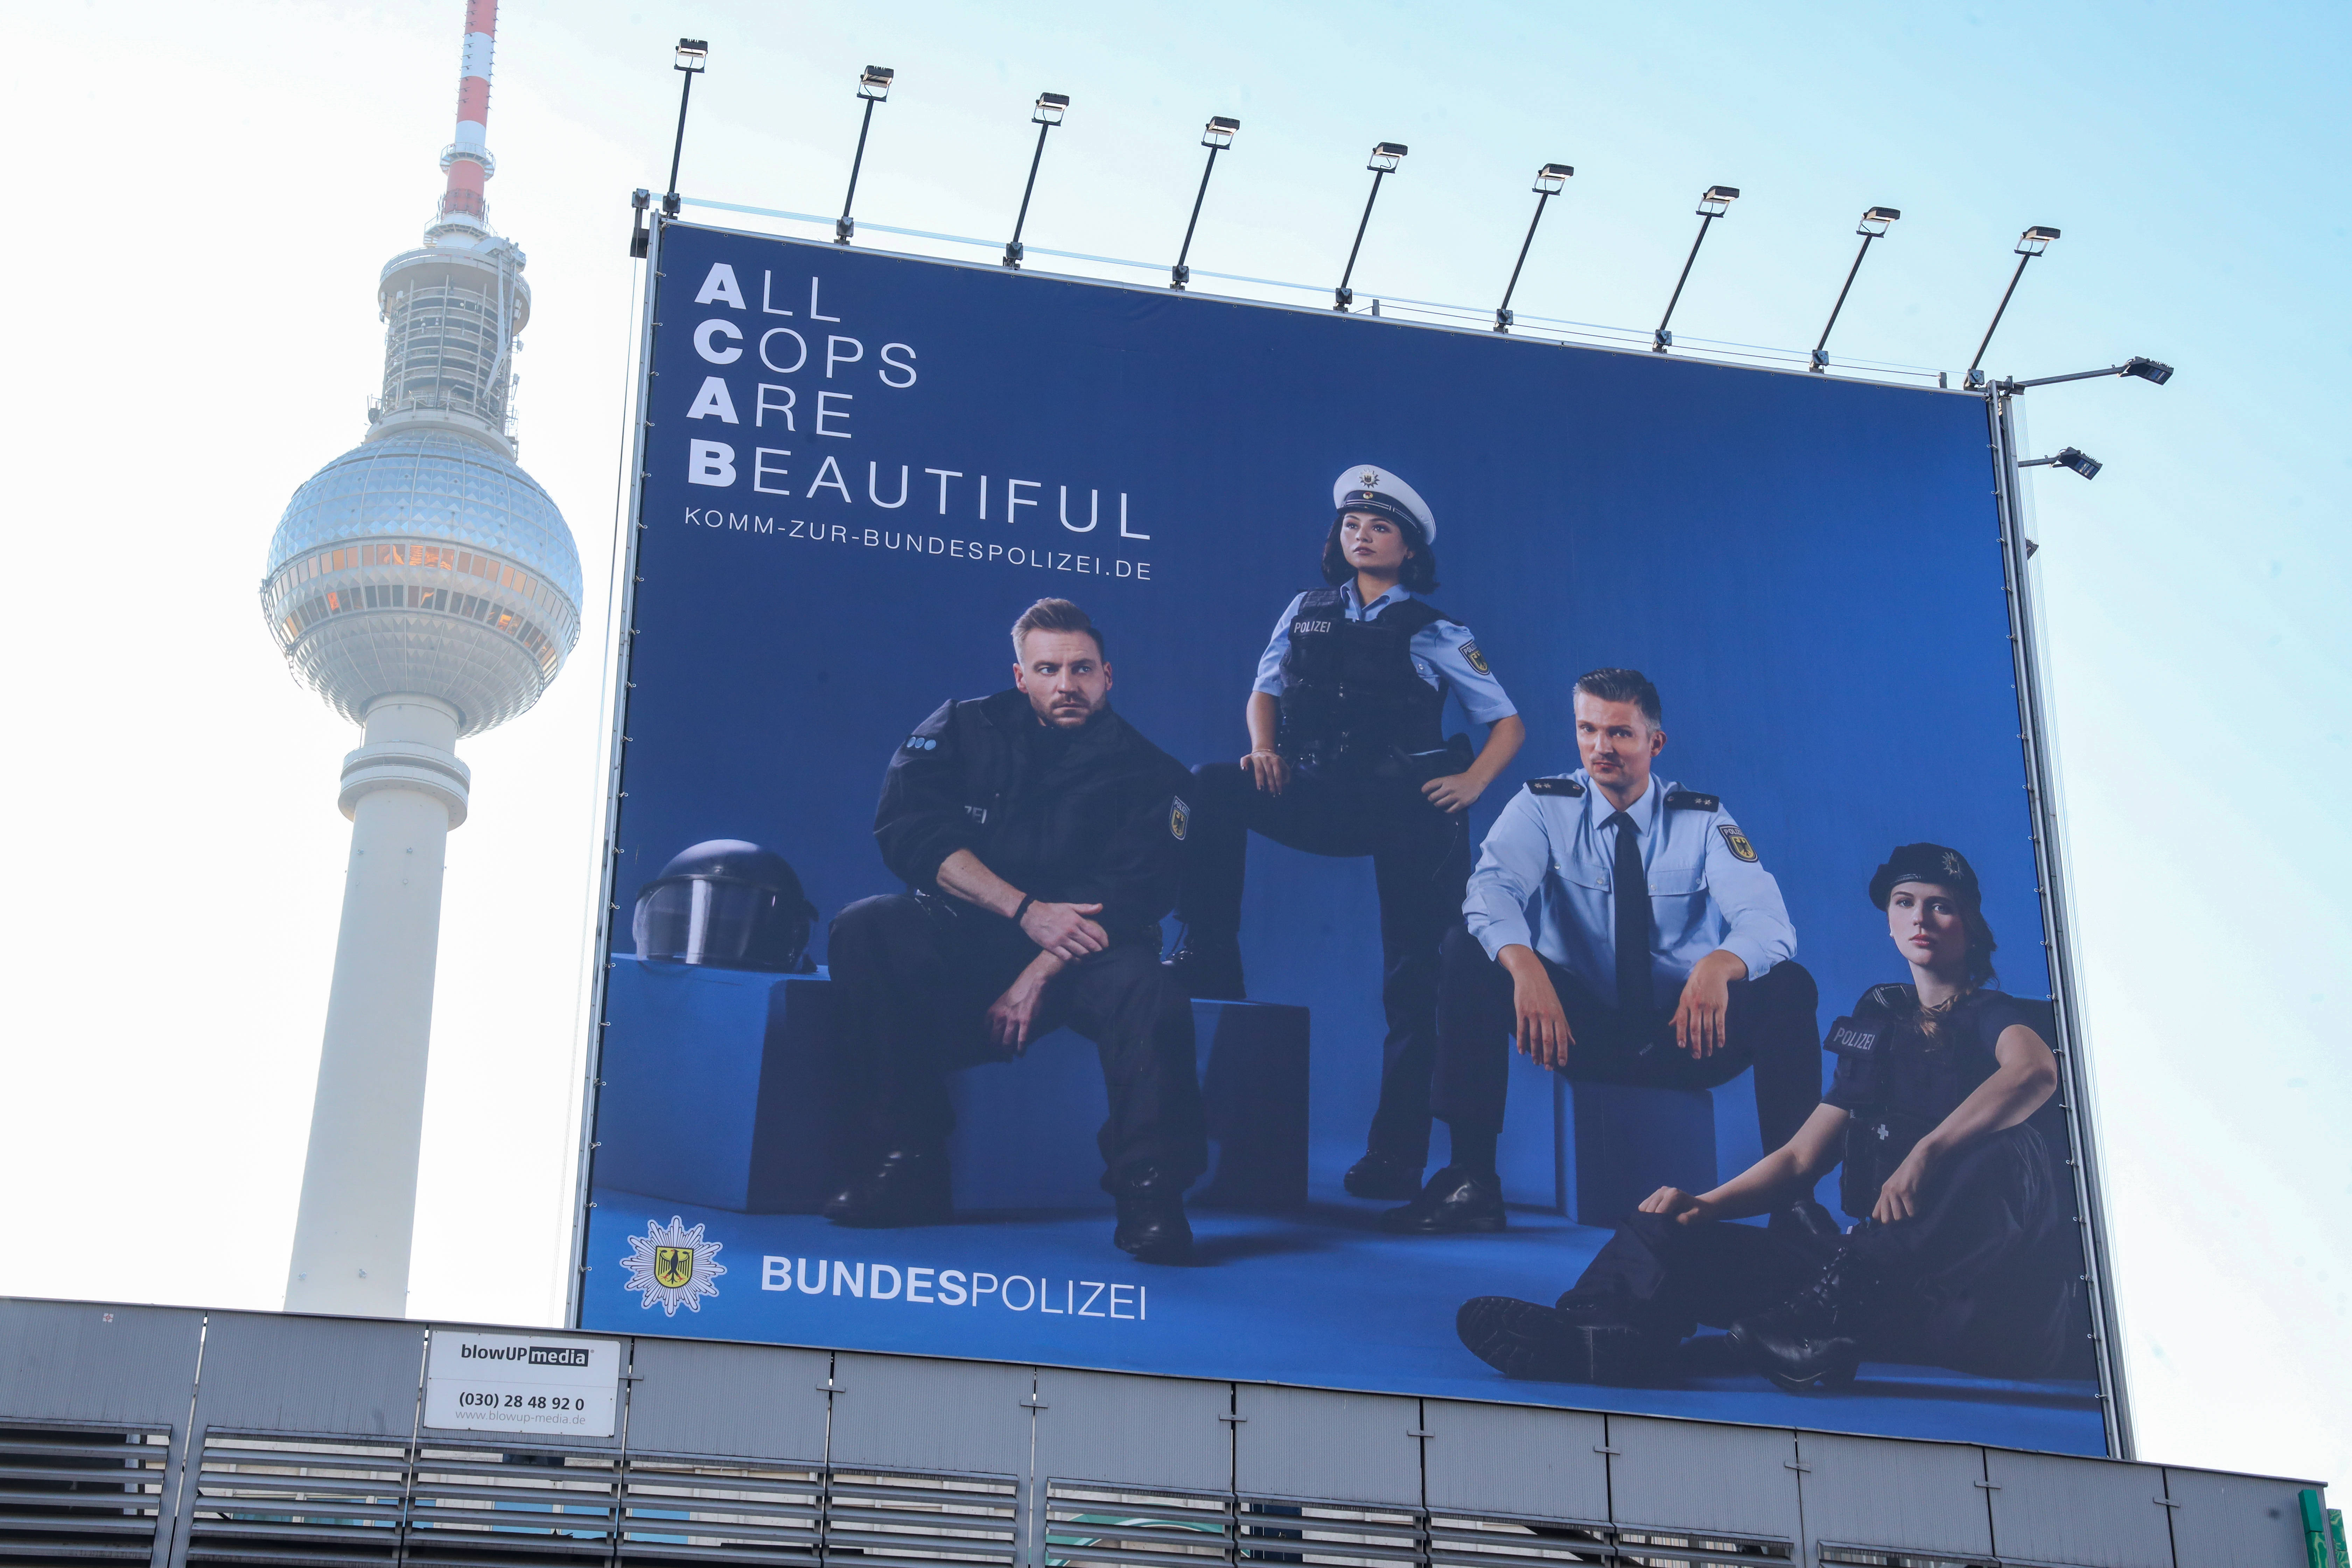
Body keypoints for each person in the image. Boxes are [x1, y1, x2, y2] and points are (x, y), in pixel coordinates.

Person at [1455, 842, 2085, 1391]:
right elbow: (1799, 1159)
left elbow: (2035, 1074)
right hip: (1852, 1290)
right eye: (1904, 902)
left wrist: (1929, 1153)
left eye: (1941, 905)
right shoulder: (1881, 1025)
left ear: (1970, 923)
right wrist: (1707, 1205)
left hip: (1971, 1313)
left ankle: (1797, 1330)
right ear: (1888, 922)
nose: (1921, 918)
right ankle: (1594, 1335)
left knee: (2004, 1147)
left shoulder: (1996, 1015)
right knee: (1672, 1222)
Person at [1165, 465, 1526, 1201]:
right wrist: (1264, 750)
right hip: (1318, 792)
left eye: (1380, 527)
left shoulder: (1437, 631)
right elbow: (1265, 689)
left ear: (1410, 550)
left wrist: (1472, 784)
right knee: (1211, 784)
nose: (1361, 535)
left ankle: (1396, 1154)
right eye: (1352, 526)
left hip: (1404, 807)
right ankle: (1208, 953)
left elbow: (1508, 721)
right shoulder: (1304, 609)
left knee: (1415, 979)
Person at [822, 598, 1207, 1264]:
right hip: (972, 932)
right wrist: (1026, 911)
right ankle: (907, 1162)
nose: (1067, 685)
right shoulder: (961, 728)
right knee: (868, 928)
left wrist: (1037, 969)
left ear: (1108, 676)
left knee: (1153, 992)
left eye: (1082, 669)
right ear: (1021, 674)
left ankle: (1151, 1194)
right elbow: (910, 833)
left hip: (1085, 954)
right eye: (1049, 669)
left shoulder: (1155, 774)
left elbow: (1136, 894)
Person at [1394, 667, 1819, 1234]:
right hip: (1575, 1029)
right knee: (1467, 948)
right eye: (1588, 730)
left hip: (1686, 1034)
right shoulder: (1544, 806)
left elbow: (1770, 923)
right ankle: (1472, 1179)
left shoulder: (1702, 819)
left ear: (1655, 743)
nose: (1601, 748)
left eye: (1619, 733)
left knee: (1791, 984)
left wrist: (1721, 963)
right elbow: (1491, 892)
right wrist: (1524, 964)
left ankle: (1792, 1201)